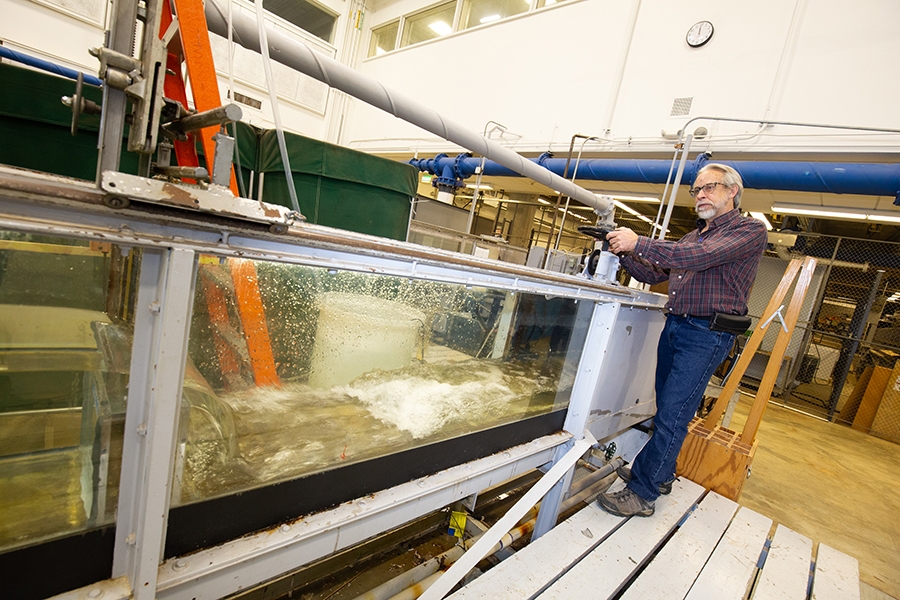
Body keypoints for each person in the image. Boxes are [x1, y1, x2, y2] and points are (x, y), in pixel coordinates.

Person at [598, 163, 768, 517]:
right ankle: (659, 474)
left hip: (706, 334)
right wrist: (623, 251)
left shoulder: (747, 231)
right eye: (697, 190)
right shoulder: (693, 237)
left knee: (674, 414)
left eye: (710, 187)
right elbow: (653, 271)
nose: (701, 195)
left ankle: (643, 494)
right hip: (677, 326)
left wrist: (639, 241)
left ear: (732, 191)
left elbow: (700, 258)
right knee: (669, 410)